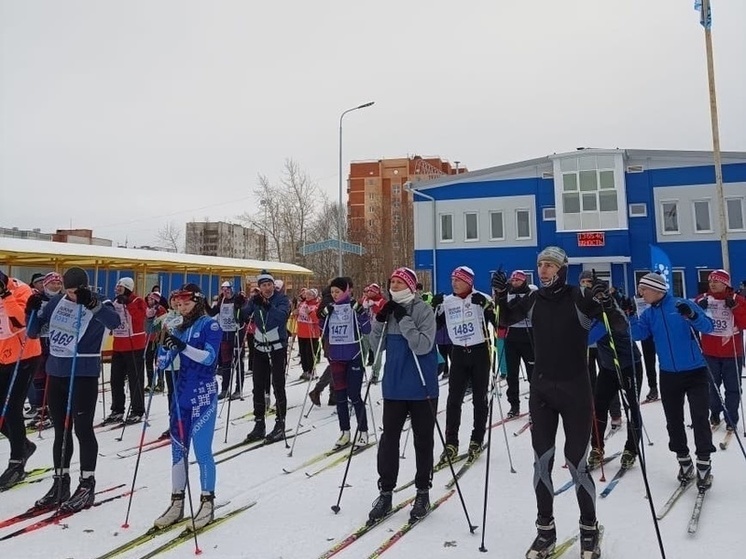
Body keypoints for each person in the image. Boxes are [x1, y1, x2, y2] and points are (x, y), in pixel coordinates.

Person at [492, 247, 626, 559]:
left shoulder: (578, 296)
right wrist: (500, 295)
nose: (543, 269)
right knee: (542, 462)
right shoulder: (535, 299)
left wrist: (609, 302)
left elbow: (619, 325)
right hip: (541, 391)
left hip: (576, 389)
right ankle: (545, 531)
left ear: (562, 269)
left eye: (550, 265)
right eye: (540, 264)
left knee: (576, 462)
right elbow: (503, 320)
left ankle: (589, 529)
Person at [27, 267, 120, 511]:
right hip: (56, 371)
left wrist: (94, 306)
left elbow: (115, 322)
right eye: (68, 291)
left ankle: (87, 483)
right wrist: (33, 310)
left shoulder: (98, 301)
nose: (72, 296)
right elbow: (33, 331)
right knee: (61, 430)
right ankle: (61, 481)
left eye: (76, 291)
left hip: (82, 373)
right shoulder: (58, 300)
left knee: (82, 428)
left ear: (85, 288)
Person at [629, 272, 716, 492]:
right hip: (668, 374)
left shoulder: (681, 305)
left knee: (699, 416)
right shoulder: (649, 314)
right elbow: (638, 335)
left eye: (644, 289)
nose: (641, 293)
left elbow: (708, 327)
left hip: (696, 371)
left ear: (657, 289)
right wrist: (629, 316)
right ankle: (684, 461)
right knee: (673, 420)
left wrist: (692, 316)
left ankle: (704, 463)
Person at [368, 267, 438, 523]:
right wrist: (379, 320)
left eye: (399, 282)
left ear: (410, 286)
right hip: (395, 386)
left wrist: (404, 319)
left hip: (421, 387)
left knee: (423, 440)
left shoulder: (423, 311)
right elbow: (376, 347)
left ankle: (422, 491)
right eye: (392, 282)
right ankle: (386, 492)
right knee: (389, 440)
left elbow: (422, 346)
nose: (393, 286)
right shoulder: (388, 311)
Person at [151, 283, 221, 531]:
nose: (182, 308)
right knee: (177, 452)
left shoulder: (210, 325)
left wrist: (181, 347)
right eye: (178, 304)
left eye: (187, 303)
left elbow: (209, 358)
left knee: (202, 451)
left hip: (202, 395)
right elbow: (162, 363)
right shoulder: (179, 328)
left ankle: (207, 502)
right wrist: (163, 349)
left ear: (198, 302)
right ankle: (176, 502)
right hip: (181, 396)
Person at [433, 266, 495, 467]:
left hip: (479, 352)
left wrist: (487, 306)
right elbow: (434, 326)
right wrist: (433, 307)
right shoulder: (448, 302)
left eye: (458, 280)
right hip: (458, 352)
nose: (454, 283)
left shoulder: (481, 298)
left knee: (480, 399)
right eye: (452, 280)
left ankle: (477, 438)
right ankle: (451, 442)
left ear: (469, 282)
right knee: (453, 400)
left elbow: (500, 322)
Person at [586, 303, 643, 470]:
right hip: (608, 367)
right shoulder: (594, 316)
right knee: (599, 406)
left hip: (628, 366)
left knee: (632, 407)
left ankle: (631, 449)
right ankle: (597, 447)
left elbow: (588, 338)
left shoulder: (610, 316)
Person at [0, 272, 42, 490]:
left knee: (13, 409)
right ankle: (23, 445)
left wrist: (5, 295)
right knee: (2, 412)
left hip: (24, 356)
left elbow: (22, 322)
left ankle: (17, 461)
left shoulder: (21, 289)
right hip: (2, 356)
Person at [318, 276, 371, 449]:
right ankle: (345, 432)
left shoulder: (354, 306)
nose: (334, 295)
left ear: (346, 291)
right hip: (336, 358)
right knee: (340, 397)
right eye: (332, 291)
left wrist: (361, 313)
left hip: (354, 355)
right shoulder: (331, 308)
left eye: (337, 291)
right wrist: (323, 316)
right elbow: (322, 331)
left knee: (354, 395)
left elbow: (367, 329)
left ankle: (363, 431)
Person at [694, 270, 746, 432]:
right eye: (711, 281)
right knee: (712, 386)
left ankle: (731, 417)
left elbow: (745, 323)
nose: (713, 284)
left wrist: (735, 308)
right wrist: (698, 312)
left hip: (732, 353)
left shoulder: (738, 299)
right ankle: (715, 413)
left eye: (717, 281)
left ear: (726, 284)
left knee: (732, 388)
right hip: (710, 352)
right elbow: (691, 321)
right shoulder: (702, 299)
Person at [243, 270, 291, 444]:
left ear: (273, 285)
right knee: (258, 386)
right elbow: (243, 315)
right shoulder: (256, 299)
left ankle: (280, 423)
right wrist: (246, 304)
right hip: (259, 348)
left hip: (277, 348)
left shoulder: (282, 299)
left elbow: (281, 317)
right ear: (260, 287)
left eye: (269, 284)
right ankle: (259, 423)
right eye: (263, 285)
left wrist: (267, 305)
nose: (267, 288)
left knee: (278, 385)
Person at [106, 277, 147, 425]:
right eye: (117, 288)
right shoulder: (115, 302)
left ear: (128, 289)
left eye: (121, 288)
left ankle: (137, 410)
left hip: (134, 346)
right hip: (118, 346)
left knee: (135, 380)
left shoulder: (137, 301)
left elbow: (140, 318)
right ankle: (117, 409)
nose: (117, 291)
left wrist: (128, 304)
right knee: (116, 380)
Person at [502, 270, 536, 418]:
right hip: (512, 338)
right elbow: (501, 314)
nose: (515, 283)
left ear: (524, 281)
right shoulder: (508, 293)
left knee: (532, 374)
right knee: (512, 374)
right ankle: (514, 405)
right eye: (513, 280)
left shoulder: (531, 293)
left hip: (529, 338)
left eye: (518, 280)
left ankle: (535, 407)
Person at [208, 281, 247, 400]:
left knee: (238, 362)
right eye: (223, 290)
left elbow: (244, 314)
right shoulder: (221, 301)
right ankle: (225, 389)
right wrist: (203, 302)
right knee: (226, 363)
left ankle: (238, 389)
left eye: (228, 289)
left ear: (232, 289)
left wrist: (242, 303)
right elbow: (211, 313)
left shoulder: (238, 299)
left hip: (236, 334)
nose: (226, 292)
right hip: (224, 335)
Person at [153, 291, 184, 439]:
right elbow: (155, 331)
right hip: (170, 363)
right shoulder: (167, 317)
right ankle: (173, 423)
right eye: (173, 300)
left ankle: (182, 423)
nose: (175, 303)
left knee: (181, 394)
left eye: (178, 300)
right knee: (171, 395)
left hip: (182, 362)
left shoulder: (184, 317)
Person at [296, 288, 321, 381]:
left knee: (309, 353)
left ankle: (312, 371)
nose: (307, 296)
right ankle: (305, 370)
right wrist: (295, 313)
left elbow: (318, 319)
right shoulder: (302, 304)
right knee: (302, 353)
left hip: (312, 333)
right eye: (307, 294)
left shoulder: (317, 305)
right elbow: (298, 316)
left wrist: (310, 313)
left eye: (310, 294)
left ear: (314, 296)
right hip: (301, 331)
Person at [144, 291, 167, 392]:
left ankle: (160, 382)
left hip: (158, 339)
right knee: (148, 361)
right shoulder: (147, 310)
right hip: (148, 338)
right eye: (149, 299)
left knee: (158, 361)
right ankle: (150, 383)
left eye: (152, 299)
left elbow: (162, 323)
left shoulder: (161, 310)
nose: (149, 301)